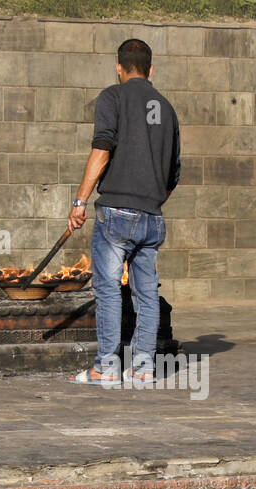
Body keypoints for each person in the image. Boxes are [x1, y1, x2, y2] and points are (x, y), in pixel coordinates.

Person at [67, 39, 180, 386]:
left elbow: (102, 149)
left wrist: (80, 201)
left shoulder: (112, 98)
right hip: (153, 216)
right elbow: (173, 172)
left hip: (116, 212)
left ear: (119, 67)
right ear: (151, 68)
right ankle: (143, 368)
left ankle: (106, 366)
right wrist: (152, 200)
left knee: (108, 289)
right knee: (146, 294)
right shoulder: (167, 108)